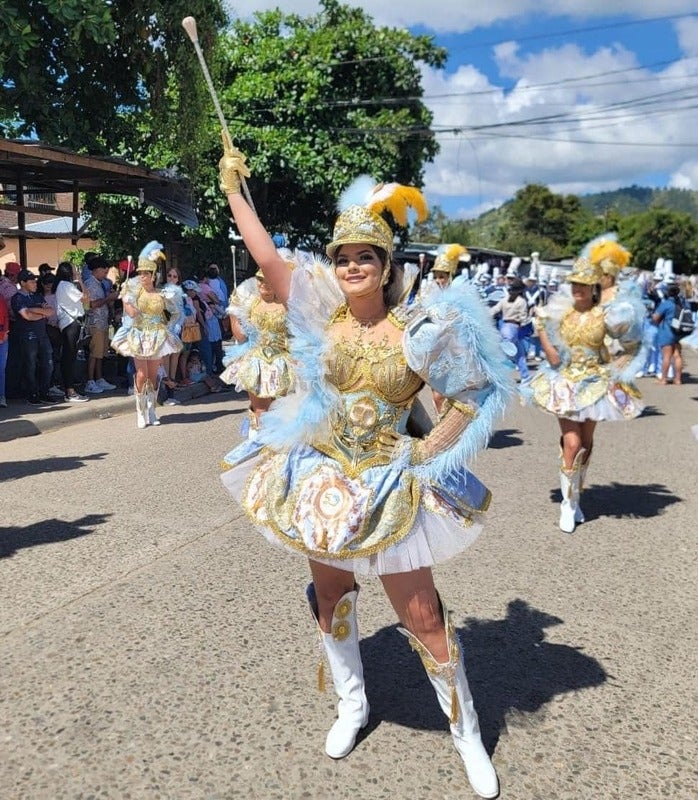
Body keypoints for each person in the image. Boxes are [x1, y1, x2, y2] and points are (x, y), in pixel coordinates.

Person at [219, 142, 513, 799]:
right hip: (321, 481)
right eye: (344, 257)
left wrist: (427, 448)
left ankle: (465, 730)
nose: (353, 266)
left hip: (390, 484)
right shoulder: (320, 315)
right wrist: (235, 188)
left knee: (422, 616)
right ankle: (352, 704)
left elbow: (469, 394)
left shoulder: (418, 327)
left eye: (365, 257)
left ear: (384, 265)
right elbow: (266, 256)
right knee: (332, 597)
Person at [529, 255, 645, 534]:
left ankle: (576, 497)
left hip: (595, 384)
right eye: (574, 283)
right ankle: (567, 505)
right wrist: (549, 348)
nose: (577, 288)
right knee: (572, 442)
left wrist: (620, 364)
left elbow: (631, 342)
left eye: (583, 283)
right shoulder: (561, 312)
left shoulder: (605, 315)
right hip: (565, 383)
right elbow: (541, 325)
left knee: (587, 444)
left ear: (593, 286)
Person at [111, 242, 183, 428]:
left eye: (146, 273)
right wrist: (127, 300)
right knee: (142, 374)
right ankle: (140, 411)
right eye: (140, 273)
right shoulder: (133, 292)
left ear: (153, 275)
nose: (142, 276)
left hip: (157, 336)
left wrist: (167, 326)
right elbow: (132, 314)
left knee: (153, 376)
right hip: (138, 336)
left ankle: (152, 409)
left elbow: (175, 313)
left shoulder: (162, 294)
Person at [220, 268, 293, 438]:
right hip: (256, 360)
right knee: (260, 408)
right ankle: (257, 441)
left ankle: (275, 443)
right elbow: (241, 336)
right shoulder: (250, 304)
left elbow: (299, 331)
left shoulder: (287, 304)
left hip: (282, 361)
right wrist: (233, 313)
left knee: (279, 408)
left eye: (268, 280)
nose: (263, 284)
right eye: (260, 279)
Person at [10, 269, 61, 405]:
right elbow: (27, 316)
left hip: (42, 334)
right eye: (31, 282)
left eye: (35, 281)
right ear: (23, 283)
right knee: (30, 364)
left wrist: (34, 310)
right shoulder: (18, 298)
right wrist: (40, 313)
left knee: (48, 363)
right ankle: (32, 393)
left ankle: (44, 392)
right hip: (28, 336)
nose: (34, 284)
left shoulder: (38, 297)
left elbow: (50, 311)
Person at [55, 261, 89, 402]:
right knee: (69, 357)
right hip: (71, 323)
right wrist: (80, 280)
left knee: (69, 356)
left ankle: (69, 389)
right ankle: (70, 391)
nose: (76, 271)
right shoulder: (66, 285)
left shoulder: (61, 286)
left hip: (67, 323)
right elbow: (86, 297)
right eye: (74, 269)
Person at [83, 256, 118, 394]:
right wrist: (108, 298)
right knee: (94, 353)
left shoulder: (100, 283)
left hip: (103, 322)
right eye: (104, 272)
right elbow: (92, 304)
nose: (105, 275)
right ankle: (90, 381)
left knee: (100, 353)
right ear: (97, 270)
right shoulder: (90, 284)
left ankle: (99, 378)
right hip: (95, 323)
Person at [489, 277, 531, 384]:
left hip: (505, 327)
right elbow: (523, 318)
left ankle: (525, 376)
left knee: (519, 353)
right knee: (505, 354)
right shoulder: (521, 301)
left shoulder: (504, 300)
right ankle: (498, 377)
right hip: (514, 328)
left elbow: (494, 310)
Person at [652, 283, 685, 385]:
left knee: (666, 356)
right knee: (677, 355)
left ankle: (663, 379)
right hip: (678, 332)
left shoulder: (666, 304)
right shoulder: (682, 302)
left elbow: (655, 318)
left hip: (667, 331)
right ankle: (678, 379)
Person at [0, 293, 8, 407]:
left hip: (3, 337)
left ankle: (1, 396)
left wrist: (4, 334)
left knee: (1, 368)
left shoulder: (1, 297)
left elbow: (6, 317)